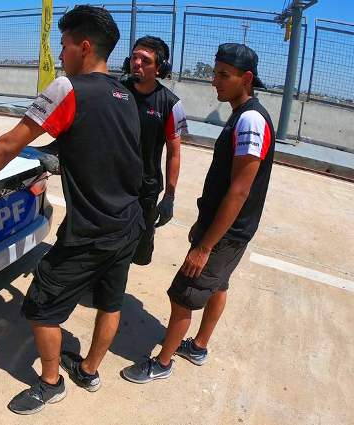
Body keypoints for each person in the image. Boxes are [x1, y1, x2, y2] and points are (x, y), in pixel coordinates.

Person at [0, 5, 143, 415]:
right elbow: (106, 148)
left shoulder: (67, 89)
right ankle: (88, 370)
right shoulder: (125, 95)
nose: (60, 52)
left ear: (83, 47)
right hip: (128, 222)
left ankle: (51, 383)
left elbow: (7, 145)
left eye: (64, 44)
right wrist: (62, 155)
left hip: (90, 232)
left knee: (40, 306)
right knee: (110, 301)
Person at [121, 43, 275, 383]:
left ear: (246, 78)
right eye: (214, 73)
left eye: (224, 75)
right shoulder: (243, 113)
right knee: (218, 286)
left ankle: (161, 363)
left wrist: (204, 246)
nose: (215, 81)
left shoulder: (250, 119)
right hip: (232, 229)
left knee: (182, 296)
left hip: (225, 233)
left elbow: (240, 190)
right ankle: (199, 346)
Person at [121, 36, 188, 266]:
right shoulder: (116, 91)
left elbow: (174, 153)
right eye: (134, 57)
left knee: (139, 251)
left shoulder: (171, 104)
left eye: (145, 60)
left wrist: (169, 196)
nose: (137, 63)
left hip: (145, 189)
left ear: (160, 68)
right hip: (113, 184)